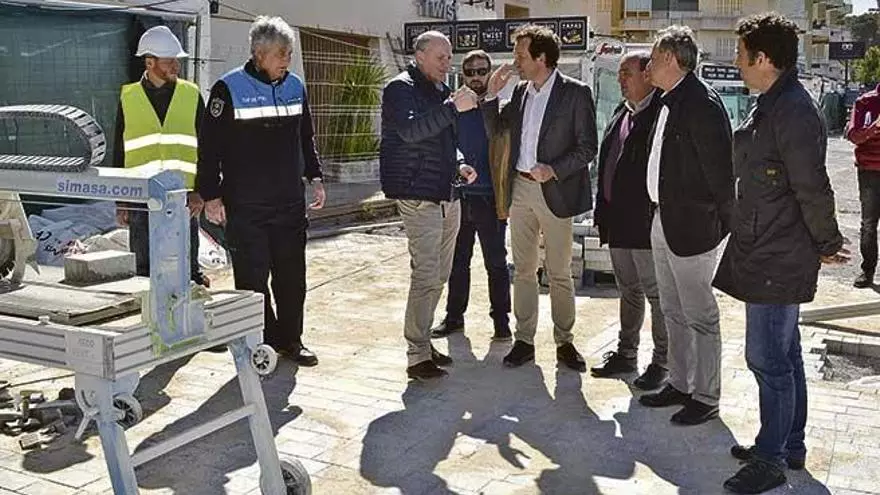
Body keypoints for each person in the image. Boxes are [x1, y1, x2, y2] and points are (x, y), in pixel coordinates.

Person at [714, 13, 848, 493]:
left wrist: (827, 242)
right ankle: (787, 443)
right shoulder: (772, 104)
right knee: (785, 354)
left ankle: (770, 460)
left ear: (764, 58)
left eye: (741, 54)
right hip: (765, 246)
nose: (737, 62)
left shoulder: (792, 110)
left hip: (779, 253)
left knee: (768, 359)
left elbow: (812, 185)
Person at [197, 16, 325, 367]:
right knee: (253, 280)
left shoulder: (295, 86)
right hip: (246, 206)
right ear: (258, 53)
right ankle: (264, 341)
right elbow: (209, 147)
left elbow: (306, 136)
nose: (287, 60)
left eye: (290, 53)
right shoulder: (228, 89)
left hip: (289, 203)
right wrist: (211, 195)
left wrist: (315, 176)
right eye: (281, 54)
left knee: (292, 278)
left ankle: (292, 341)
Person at [635, 25, 735, 426]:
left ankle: (706, 396)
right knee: (672, 310)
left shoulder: (701, 103)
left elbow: (721, 177)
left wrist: (713, 226)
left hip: (692, 228)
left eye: (653, 59)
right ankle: (680, 383)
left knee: (700, 316)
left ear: (671, 59)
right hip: (663, 219)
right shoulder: (668, 100)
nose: (648, 67)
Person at [483, 24, 597, 372]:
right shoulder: (520, 92)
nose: (515, 61)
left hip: (555, 190)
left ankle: (565, 342)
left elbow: (588, 147)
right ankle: (524, 340)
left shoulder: (575, 93)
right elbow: (497, 132)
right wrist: (491, 96)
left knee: (559, 272)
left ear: (541, 58)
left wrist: (554, 169)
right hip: (520, 189)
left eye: (521, 55)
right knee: (523, 269)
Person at [379, 31, 478, 381]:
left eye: (449, 57)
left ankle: (422, 340)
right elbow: (410, 131)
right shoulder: (399, 89)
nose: (447, 63)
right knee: (425, 274)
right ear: (419, 56)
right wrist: (451, 108)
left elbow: (445, 141)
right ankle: (417, 354)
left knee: (439, 275)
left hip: (446, 193)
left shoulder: (438, 89)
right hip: (418, 194)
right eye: (440, 57)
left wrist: (460, 163)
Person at [590, 51, 668, 390]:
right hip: (618, 221)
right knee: (629, 292)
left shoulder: (660, 114)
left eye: (627, 73)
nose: (621, 79)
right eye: (620, 73)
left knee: (656, 296)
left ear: (648, 75)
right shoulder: (622, 112)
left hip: (645, 223)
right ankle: (626, 354)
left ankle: (662, 363)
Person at [113, 25, 208, 287]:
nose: (176, 66)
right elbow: (119, 150)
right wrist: (121, 200)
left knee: (186, 262)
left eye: (177, 60)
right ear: (150, 62)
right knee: (143, 265)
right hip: (140, 193)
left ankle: (192, 289)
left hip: (183, 193)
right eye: (169, 61)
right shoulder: (129, 97)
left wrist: (200, 190)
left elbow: (206, 147)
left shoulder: (191, 94)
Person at [430, 50, 512, 343]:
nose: (476, 77)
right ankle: (454, 318)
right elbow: (446, 143)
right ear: (462, 75)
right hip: (459, 195)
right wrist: (458, 163)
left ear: (490, 72)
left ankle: (501, 322)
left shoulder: (501, 107)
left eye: (481, 71)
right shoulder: (454, 106)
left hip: (490, 197)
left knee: (496, 262)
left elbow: (504, 143)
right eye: (470, 72)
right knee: (457, 261)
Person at [845, 74, 880, 288]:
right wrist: (875, 127)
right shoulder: (865, 102)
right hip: (869, 172)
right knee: (868, 224)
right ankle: (867, 270)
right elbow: (853, 136)